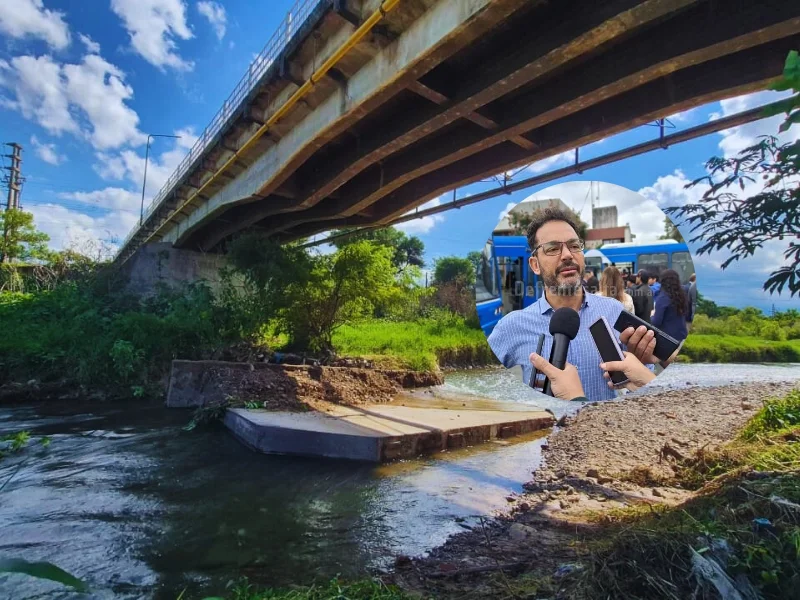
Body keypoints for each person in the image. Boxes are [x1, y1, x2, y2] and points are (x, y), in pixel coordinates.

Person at [487, 207, 631, 402]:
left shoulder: (613, 310)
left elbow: (641, 380)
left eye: (574, 246)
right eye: (553, 248)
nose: (567, 255)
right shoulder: (511, 326)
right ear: (535, 265)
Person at [652, 269, 690, 342]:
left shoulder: (662, 297)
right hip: (681, 334)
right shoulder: (682, 295)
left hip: (667, 338)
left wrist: (651, 316)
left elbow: (657, 321)